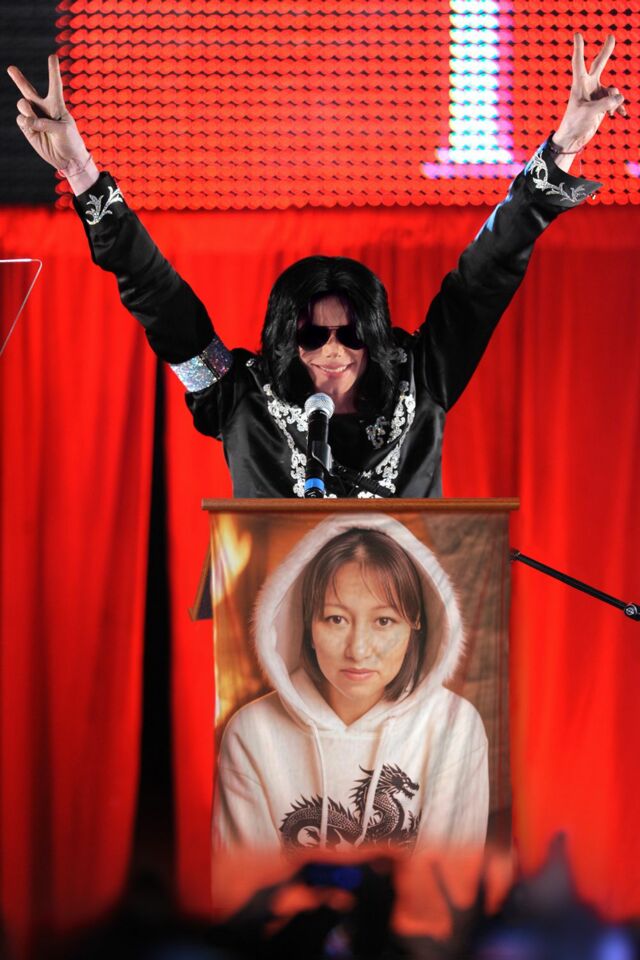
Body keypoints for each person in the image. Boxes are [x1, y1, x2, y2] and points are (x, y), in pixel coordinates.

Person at [8, 36, 625, 497]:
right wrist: (82, 174)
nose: (333, 349)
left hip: (408, 631)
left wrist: (564, 147)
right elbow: (158, 296)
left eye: (351, 333)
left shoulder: (423, 378)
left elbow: (484, 278)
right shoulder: (238, 394)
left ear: (374, 334)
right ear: (286, 335)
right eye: (312, 333)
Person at [214, 514, 489, 853]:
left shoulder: (454, 726)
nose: (358, 650)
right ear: (308, 626)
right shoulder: (252, 732)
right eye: (336, 619)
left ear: (415, 624)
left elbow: (448, 880)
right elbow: (247, 881)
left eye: (384, 621)